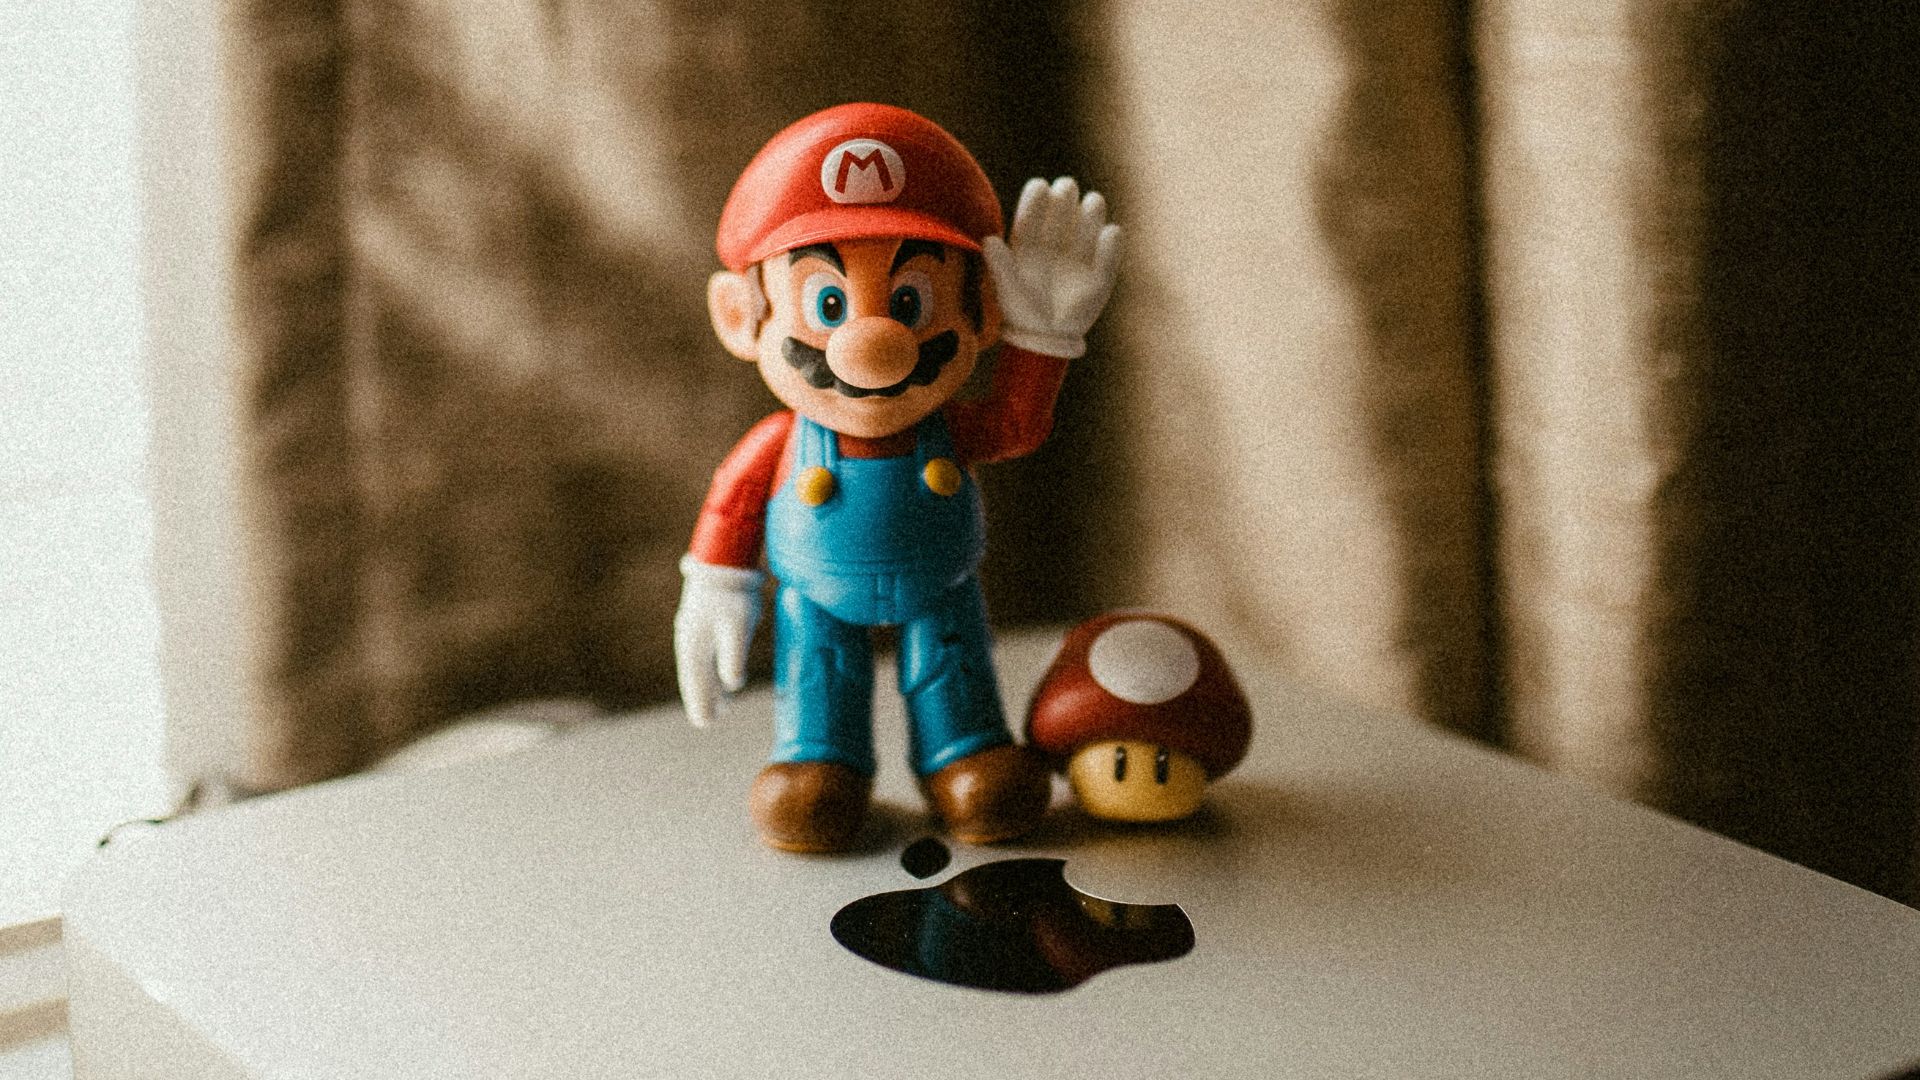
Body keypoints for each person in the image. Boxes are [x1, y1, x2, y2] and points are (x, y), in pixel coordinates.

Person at [674, 103, 1119, 853]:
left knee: (950, 671)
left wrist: (1042, 338)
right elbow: (735, 501)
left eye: (909, 303)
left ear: (982, 310)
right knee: (820, 678)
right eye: (828, 304)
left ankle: (965, 755)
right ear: (739, 315)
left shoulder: (947, 425)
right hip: (815, 598)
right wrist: (717, 585)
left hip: (940, 591)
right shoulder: (782, 440)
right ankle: (822, 763)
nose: (872, 343)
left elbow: (1017, 426)